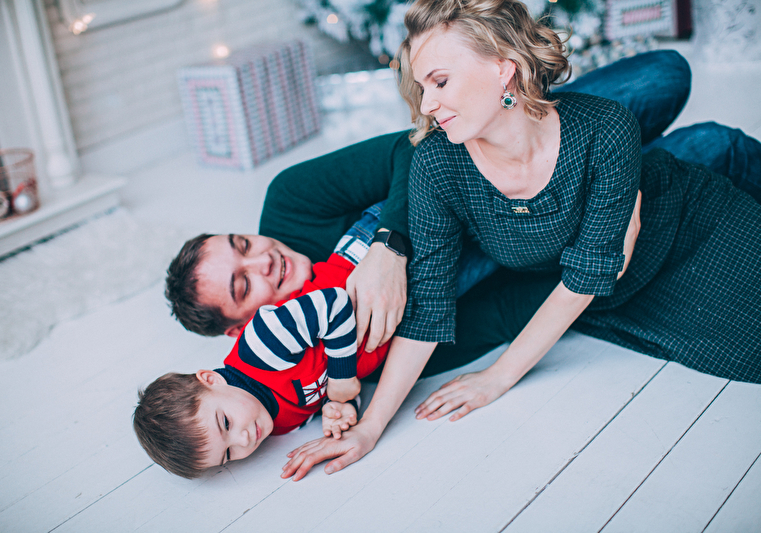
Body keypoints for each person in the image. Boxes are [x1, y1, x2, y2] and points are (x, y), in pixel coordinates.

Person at [278, 0, 761, 480]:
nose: (425, 106)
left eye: (440, 82)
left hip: (693, 227)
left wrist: (499, 376)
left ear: (503, 68)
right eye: (422, 88)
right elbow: (428, 308)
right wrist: (370, 428)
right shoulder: (438, 166)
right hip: (612, 294)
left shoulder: (606, 126)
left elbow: (589, 271)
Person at [135, 216, 389, 478]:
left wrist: (341, 378)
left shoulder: (262, 345)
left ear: (211, 379)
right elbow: (330, 379)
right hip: (397, 312)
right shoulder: (280, 425)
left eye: (226, 424)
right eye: (229, 453)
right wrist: (341, 407)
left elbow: (335, 304)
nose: (243, 440)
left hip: (372, 252)